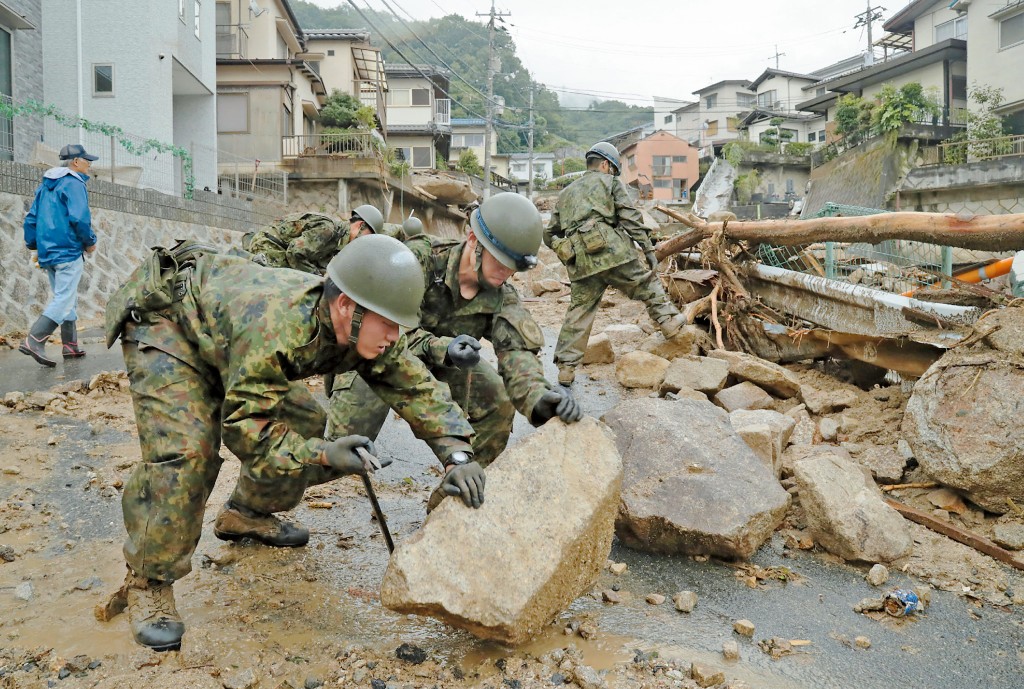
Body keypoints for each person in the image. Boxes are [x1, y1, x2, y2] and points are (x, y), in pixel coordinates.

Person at [103, 235, 475, 652]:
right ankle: (149, 580)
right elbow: (246, 431)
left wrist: (455, 454)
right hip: (170, 325)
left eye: (398, 325)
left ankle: (245, 513)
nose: (393, 335)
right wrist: (322, 453)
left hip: (232, 337)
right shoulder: (279, 325)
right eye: (387, 324)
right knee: (186, 454)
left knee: (308, 424)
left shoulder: (364, 323)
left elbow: (413, 385)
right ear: (346, 307)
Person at [327, 193, 582, 511]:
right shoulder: (419, 259)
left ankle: (451, 502)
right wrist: (441, 347)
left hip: (445, 361)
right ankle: (253, 503)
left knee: (498, 406)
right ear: (474, 239)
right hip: (379, 356)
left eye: (514, 266)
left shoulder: (501, 295)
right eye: (501, 259)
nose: (507, 273)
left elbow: (517, 352)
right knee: (337, 455)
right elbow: (386, 332)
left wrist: (541, 398)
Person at [544, 141, 686, 385]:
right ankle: (669, 322)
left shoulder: (565, 194)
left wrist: (562, 247)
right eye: (613, 168)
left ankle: (566, 369)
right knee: (644, 282)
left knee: (579, 311)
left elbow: (549, 234)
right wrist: (648, 249)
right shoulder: (609, 182)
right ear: (605, 164)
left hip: (581, 262)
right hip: (613, 251)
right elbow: (629, 217)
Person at [20, 144, 99, 366]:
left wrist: (34, 245)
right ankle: (34, 340)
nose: (89, 164)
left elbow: (31, 218)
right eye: (87, 160)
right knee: (64, 298)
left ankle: (70, 345)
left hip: (48, 251)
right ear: (75, 162)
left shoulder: (45, 186)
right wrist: (90, 241)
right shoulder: (74, 183)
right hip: (68, 249)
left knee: (65, 295)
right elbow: (80, 218)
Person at [247, 204, 384, 274]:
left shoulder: (338, 242)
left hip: (282, 248)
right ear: (360, 225)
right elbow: (295, 253)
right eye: (367, 236)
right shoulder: (328, 230)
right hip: (270, 245)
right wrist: (316, 277)